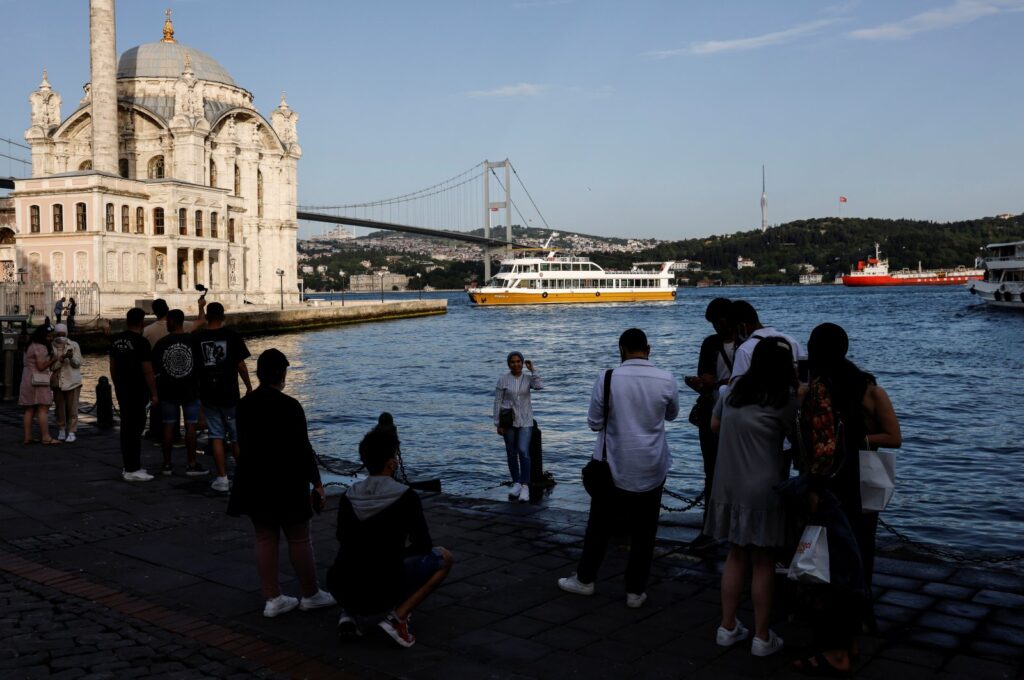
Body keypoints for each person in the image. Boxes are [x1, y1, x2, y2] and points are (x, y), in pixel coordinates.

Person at [792, 322, 902, 676]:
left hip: (833, 487)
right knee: (858, 560)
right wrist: (860, 442)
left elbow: (891, 437)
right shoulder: (869, 388)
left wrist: (846, 446)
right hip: (861, 488)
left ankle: (835, 648)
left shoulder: (817, 391)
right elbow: (893, 437)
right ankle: (855, 633)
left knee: (829, 568)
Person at [558, 328, 679, 607]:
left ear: (621, 349)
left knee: (599, 526)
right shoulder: (666, 378)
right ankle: (635, 591)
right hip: (652, 464)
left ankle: (585, 579)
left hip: (613, 465)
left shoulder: (608, 377)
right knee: (645, 532)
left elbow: (593, 423)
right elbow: (671, 415)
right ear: (648, 349)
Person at [704, 338, 798, 658]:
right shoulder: (784, 398)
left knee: (735, 555)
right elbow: (796, 439)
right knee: (763, 562)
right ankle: (761, 636)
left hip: (728, 484)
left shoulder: (732, 391)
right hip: (764, 487)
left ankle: (727, 626)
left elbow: (714, 424)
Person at [227, 348, 336, 618]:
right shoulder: (290, 406)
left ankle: (273, 597)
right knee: (299, 538)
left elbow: (240, 443)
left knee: (264, 537)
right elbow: (302, 448)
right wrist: (317, 483)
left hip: (253, 478)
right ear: (282, 374)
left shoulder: (245, 405)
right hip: (287, 479)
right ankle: (310, 594)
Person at [327, 426, 454, 647]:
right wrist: (396, 555)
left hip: (341, 586)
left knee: (354, 557)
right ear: (391, 462)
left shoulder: (348, 496)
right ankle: (398, 618)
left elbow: (342, 537)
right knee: (444, 559)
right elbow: (423, 544)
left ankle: (348, 615)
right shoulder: (406, 497)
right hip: (383, 589)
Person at [683, 298, 735, 551]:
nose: (717, 327)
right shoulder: (712, 344)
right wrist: (704, 384)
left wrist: (709, 384)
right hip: (714, 414)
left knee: (714, 471)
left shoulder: (740, 345)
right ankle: (713, 527)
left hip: (729, 415)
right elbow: (707, 377)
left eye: (720, 322)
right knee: (712, 471)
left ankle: (715, 528)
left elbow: (709, 379)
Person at [193, 302, 251, 491]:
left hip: (209, 395)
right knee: (236, 437)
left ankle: (222, 478)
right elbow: (241, 365)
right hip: (230, 393)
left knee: (216, 436)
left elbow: (194, 369)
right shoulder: (231, 336)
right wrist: (249, 386)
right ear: (223, 316)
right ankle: (244, 477)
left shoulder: (198, 338)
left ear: (208, 316)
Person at [151, 310, 206, 478]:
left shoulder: (162, 343)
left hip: (168, 390)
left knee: (168, 426)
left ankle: (167, 465)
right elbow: (202, 366)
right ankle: (191, 464)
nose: (166, 324)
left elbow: (155, 368)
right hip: (190, 390)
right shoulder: (194, 341)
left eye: (168, 321)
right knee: (190, 426)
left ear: (174, 322)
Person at [144, 297, 206, 441]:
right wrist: (201, 306)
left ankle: (157, 435)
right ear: (167, 308)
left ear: (154, 312)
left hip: (161, 377)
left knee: (163, 415)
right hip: (185, 377)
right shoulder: (184, 325)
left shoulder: (147, 331)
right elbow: (202, 321)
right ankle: (186, 451)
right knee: (189, 420)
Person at [109, 308, 158, 482]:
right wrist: (154, 393)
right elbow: (147, 371)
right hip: (138, 390)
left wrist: (117, 385)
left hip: (123, 389)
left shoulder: (115, 340)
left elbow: (113, 367)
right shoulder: (141, 342)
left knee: (126, 428)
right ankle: (132, 468)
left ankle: (129, 464)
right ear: (142, 323)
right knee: (136, 429)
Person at [493, 351, 544, 502]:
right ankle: (516, 482)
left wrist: (533, 370)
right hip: (508, 423)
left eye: (518, 361)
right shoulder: (503, 380)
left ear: (522, 363)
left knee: (523, 450)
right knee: (511, 452)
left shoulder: (528, 379)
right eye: (512, 362)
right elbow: (497, 402)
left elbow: (540, 386)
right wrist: (497, 423)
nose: (515, 364)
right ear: (508, 364)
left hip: (525, 421)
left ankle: (525, 485)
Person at [728, 301, 802, 384]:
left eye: (733, 330)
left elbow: (736, 388)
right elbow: (804, 377)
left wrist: (722, 389)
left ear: (742, 326)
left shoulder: (744, 350)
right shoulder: (791, 341)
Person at [19, 324, 61, 445]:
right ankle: (46, 437)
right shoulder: (41, 347)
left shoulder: (29, 346)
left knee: (29, 410)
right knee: (43, 408)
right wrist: (53, 359)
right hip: (39, 381)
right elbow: (41, 366)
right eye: (48, 336)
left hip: (26, 379)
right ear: (42, 335)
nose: (50, 338)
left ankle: (28, 437)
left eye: (52, 336)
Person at [51, 323, 83, 443]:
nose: (60, 336)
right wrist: (61, 359)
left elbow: (78, 363)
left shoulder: (74, 345)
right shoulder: (51, 347)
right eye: (58, 334)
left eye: (63, 334)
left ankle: (72, 431)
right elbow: (52, 367)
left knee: (73, 408)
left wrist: (70, 358)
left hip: (73, 381)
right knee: (59, 408)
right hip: (58, 382)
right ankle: (61, 429)